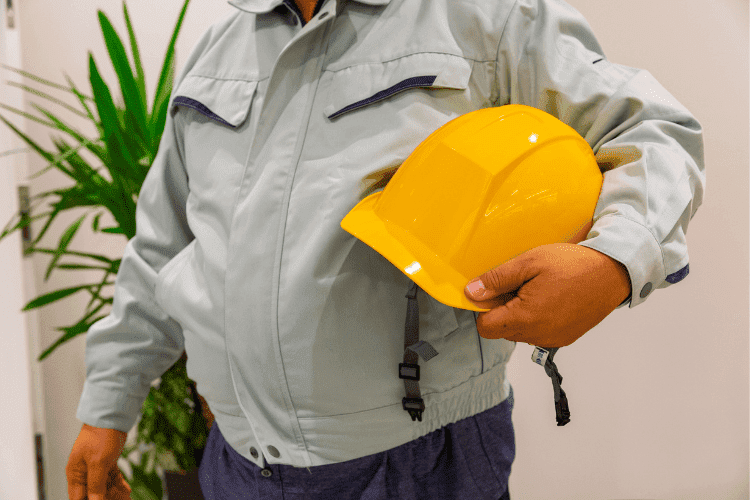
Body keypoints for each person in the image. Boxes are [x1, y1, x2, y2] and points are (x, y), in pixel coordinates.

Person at [66, 0, 705, 499]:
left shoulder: (483, 18)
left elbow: (654, 131)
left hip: (418, 466)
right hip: (235, 463)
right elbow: (162, 247)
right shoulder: (216, 54)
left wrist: (613, 263)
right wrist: (106, 409)